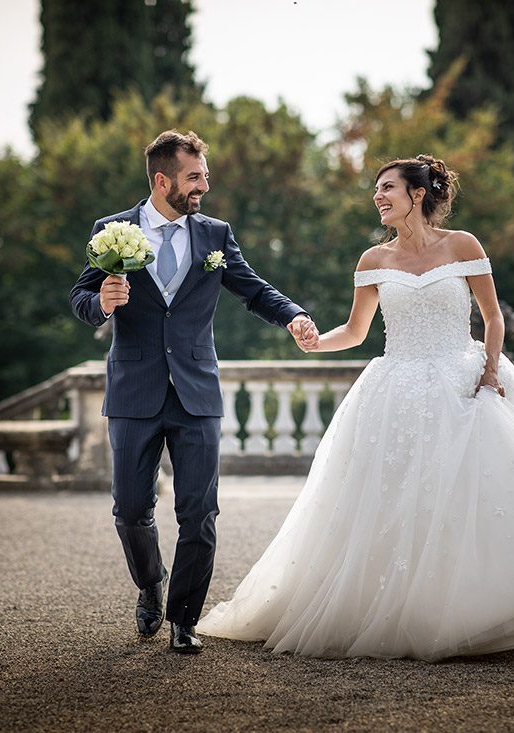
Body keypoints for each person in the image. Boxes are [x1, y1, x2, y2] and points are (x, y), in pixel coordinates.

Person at [198, 155, 514, 660]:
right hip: (396, 386)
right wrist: (314, 340)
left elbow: (492, 318)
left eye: (387, 188)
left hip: (462, 381)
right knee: (398, 496)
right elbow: (357, 332)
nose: (378, 197)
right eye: (376, 190)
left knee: (478, 492)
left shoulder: (463, 246)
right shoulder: (372, 261)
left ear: (417, 194)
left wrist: (490, 369)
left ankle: (490, 601)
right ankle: (409, 607)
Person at [69, 130, 318, 654]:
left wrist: (293, 315)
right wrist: (103, 302)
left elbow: (252, 288)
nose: (205, 184)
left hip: (197, 392)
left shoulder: (215, 234)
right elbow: (81, 295)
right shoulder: (112, 231)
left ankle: (185, 618)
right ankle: (150, 582)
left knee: (199, 512)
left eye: (204, 174)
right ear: (163, 180)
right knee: (130, 509)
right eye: (195, 176)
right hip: (134, 391)